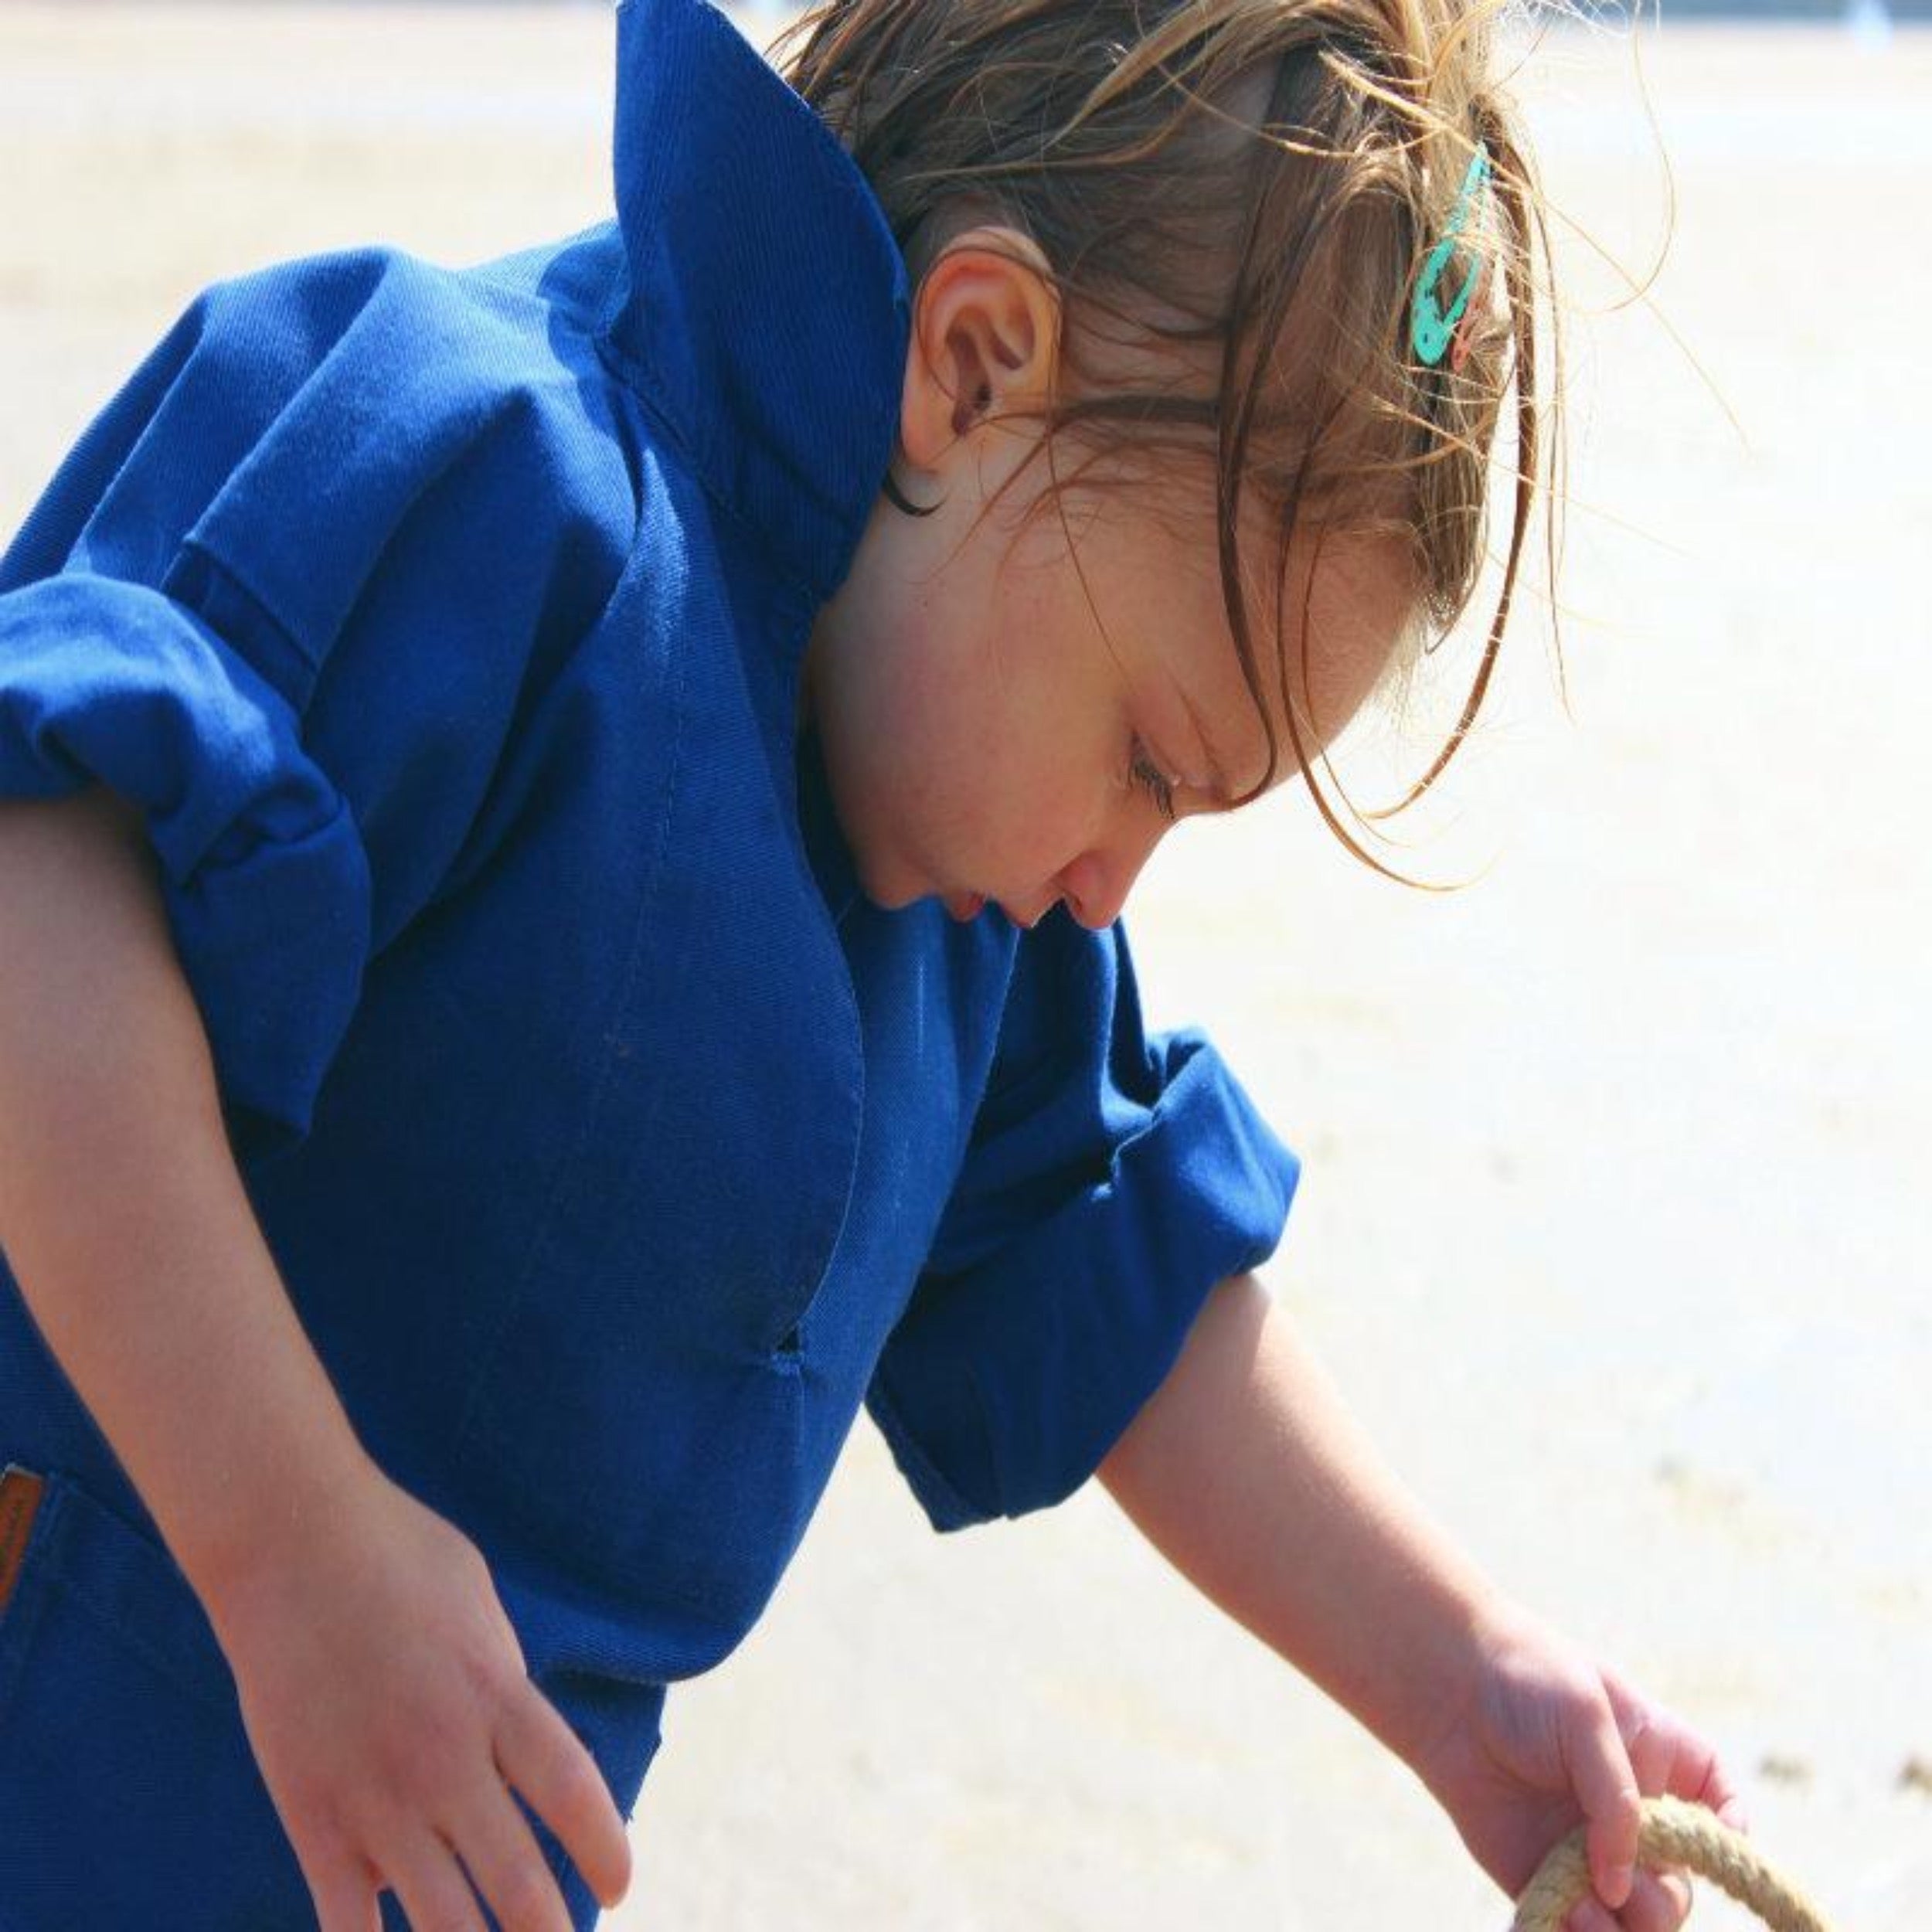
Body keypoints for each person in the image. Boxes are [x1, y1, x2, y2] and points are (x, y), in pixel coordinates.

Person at [0, 0, 1744, 1927]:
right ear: (975, 364)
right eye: (1148, 760)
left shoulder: (948, 879)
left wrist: (1455, 1671)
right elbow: (35, 892)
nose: (1110, 881)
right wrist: (288, 1552)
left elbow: (1102, 1261)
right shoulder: (480, 469)